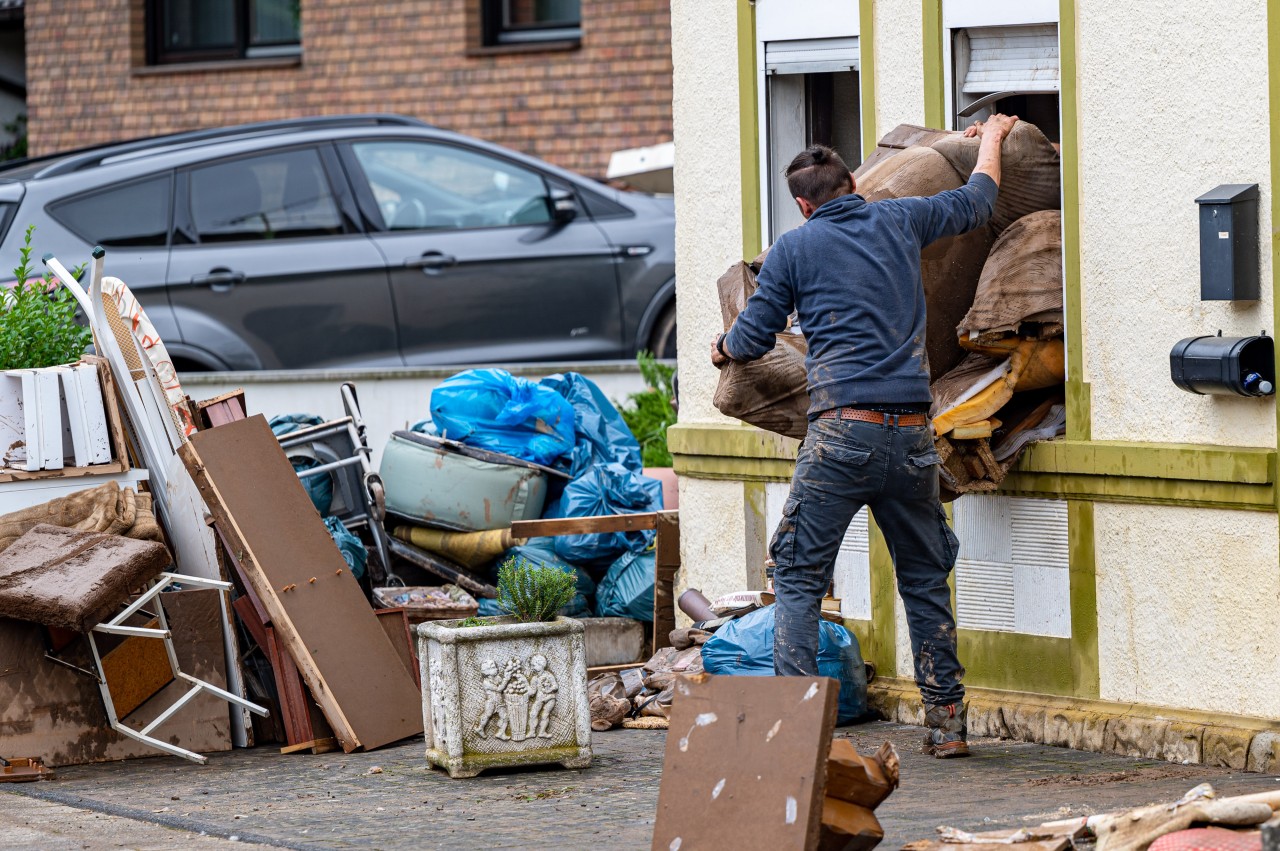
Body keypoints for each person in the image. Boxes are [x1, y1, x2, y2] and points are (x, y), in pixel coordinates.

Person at [711, 114, 1019, 758]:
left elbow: (752, 338)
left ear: (803, 204)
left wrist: (721, 348)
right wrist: (991, 137)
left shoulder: (793, 250)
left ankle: (798, 734)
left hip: (839, 437)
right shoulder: (899, 218)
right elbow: (979, 200)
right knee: (924, 578)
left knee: (797, 577)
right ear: (853, 183)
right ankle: (947, 727)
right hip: (911, 437)